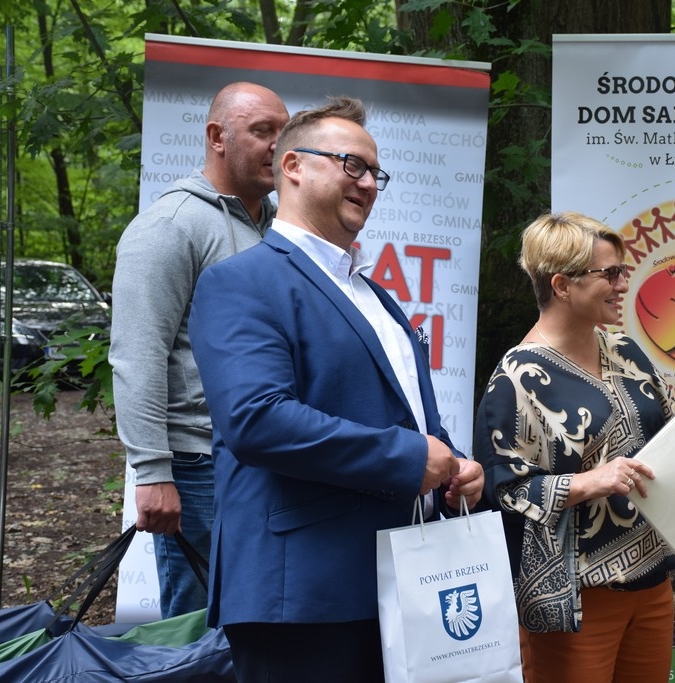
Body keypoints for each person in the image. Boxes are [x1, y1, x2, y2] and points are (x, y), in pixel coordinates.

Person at [187, 96, 484, 682]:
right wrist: (409, 457)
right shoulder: (240, 282)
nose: (369, 183)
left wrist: (455, 467)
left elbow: (409, 421)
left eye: (375, 173)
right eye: (353, 165)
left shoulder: (379, 299)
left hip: (401, 583)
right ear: (293, 166)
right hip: (302, 596)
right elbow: (257, 420)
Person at [472, 211, 675, 683]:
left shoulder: (625, 351)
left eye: (622, 270)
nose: (622, 284)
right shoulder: (517, 378)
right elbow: (501, 490)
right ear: (562, 285)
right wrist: (588, 482)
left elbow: (670, 443)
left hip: (652, 584)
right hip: (577, 599)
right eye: (610, 273)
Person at [110, 82, 289, 619]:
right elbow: (137, 355)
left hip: (266, 456)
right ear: (217, 137)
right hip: (197, 466)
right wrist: (152, 472)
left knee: (256, 617)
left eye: (285, 131)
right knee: (199, 629)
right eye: (262, 131)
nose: (278, 145)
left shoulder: (279, 226)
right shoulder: (169, 226)